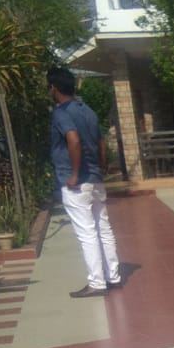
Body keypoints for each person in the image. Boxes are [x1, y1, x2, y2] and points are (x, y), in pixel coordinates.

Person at [47, 66, 122, 298]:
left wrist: (74, 174)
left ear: (54, 88)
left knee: (87, 233)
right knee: (104, 229)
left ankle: (97, 282)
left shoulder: (61, 113)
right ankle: (113, 276)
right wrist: (102, 167)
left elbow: (73, 140)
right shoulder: (87, 110)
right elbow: (100, 142)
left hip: (77, 182)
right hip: (95, 179)